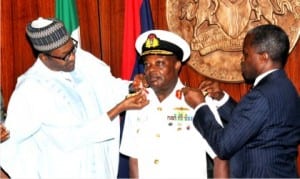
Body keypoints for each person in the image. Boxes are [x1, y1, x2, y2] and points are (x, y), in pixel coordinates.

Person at [0, 17, 149, 178]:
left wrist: (130, 87)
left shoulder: (83, 62)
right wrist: (119, 108)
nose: (72, 58)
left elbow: (108, 87)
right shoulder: (30, 89)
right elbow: (70, 136)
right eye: (64, 56)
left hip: (100, 168)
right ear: (44, 58)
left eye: (72, 50)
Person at [182, 24, 300, 177]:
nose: (242, 60)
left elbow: (223, 147)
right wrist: (222, 99)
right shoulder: (286, 88)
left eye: (246, 54)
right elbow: (254, 125)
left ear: (264, 57)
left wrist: (199, 107)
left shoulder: (261, 96)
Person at [120, 30, 229, 178]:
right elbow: (134, 159)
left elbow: (220, 157)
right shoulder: (136, 103)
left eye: (159, 63)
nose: (151, 70)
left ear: (177, 65)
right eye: (147, 64)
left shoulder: (197, 102)